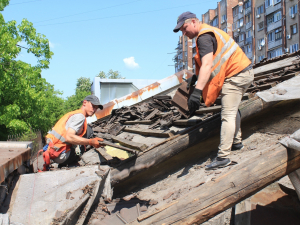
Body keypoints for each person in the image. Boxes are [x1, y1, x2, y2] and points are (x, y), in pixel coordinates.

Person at [173, 12, 254, 170]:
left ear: (194, 22)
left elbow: (208, 65)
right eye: (182, 31)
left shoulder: (204, 37)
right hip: (243, 71)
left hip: (237, 75)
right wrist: (196, 77)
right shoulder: (210, 32)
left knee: (228, 114)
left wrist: (197, 92)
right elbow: (216, 60)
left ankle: (223, 157)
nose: (184, 33)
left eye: (184, 28)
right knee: (232, 107)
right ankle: (236, 142)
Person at [42, 95, 105, 170]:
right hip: (60, 154)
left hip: (53, 150)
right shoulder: (80, 117)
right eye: (93, 106)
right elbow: (69, 137)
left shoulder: (75, 113)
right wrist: (91, 142)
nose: (94, 110)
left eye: (96, 108)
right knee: (88, 132)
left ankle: (67, 162)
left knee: (85, 132)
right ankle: (70, 163)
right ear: (85, 103)